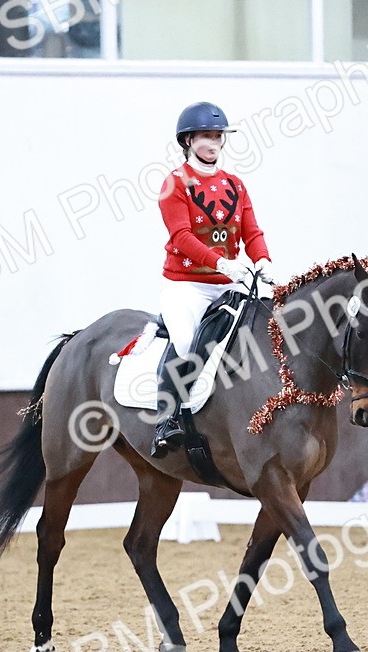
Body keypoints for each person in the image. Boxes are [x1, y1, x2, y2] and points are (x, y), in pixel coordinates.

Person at [151, 101, 272, 458]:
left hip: (228, 284)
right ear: (188, 140)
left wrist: (262, 259)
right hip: (186, 285)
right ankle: (166, 419)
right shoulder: (174, 184)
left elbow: (251, 230)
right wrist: (223, 263)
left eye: (218, 136)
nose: (214, 142)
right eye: (207, 135)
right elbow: (182, 237)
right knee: (188, 341)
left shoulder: (235, 184)